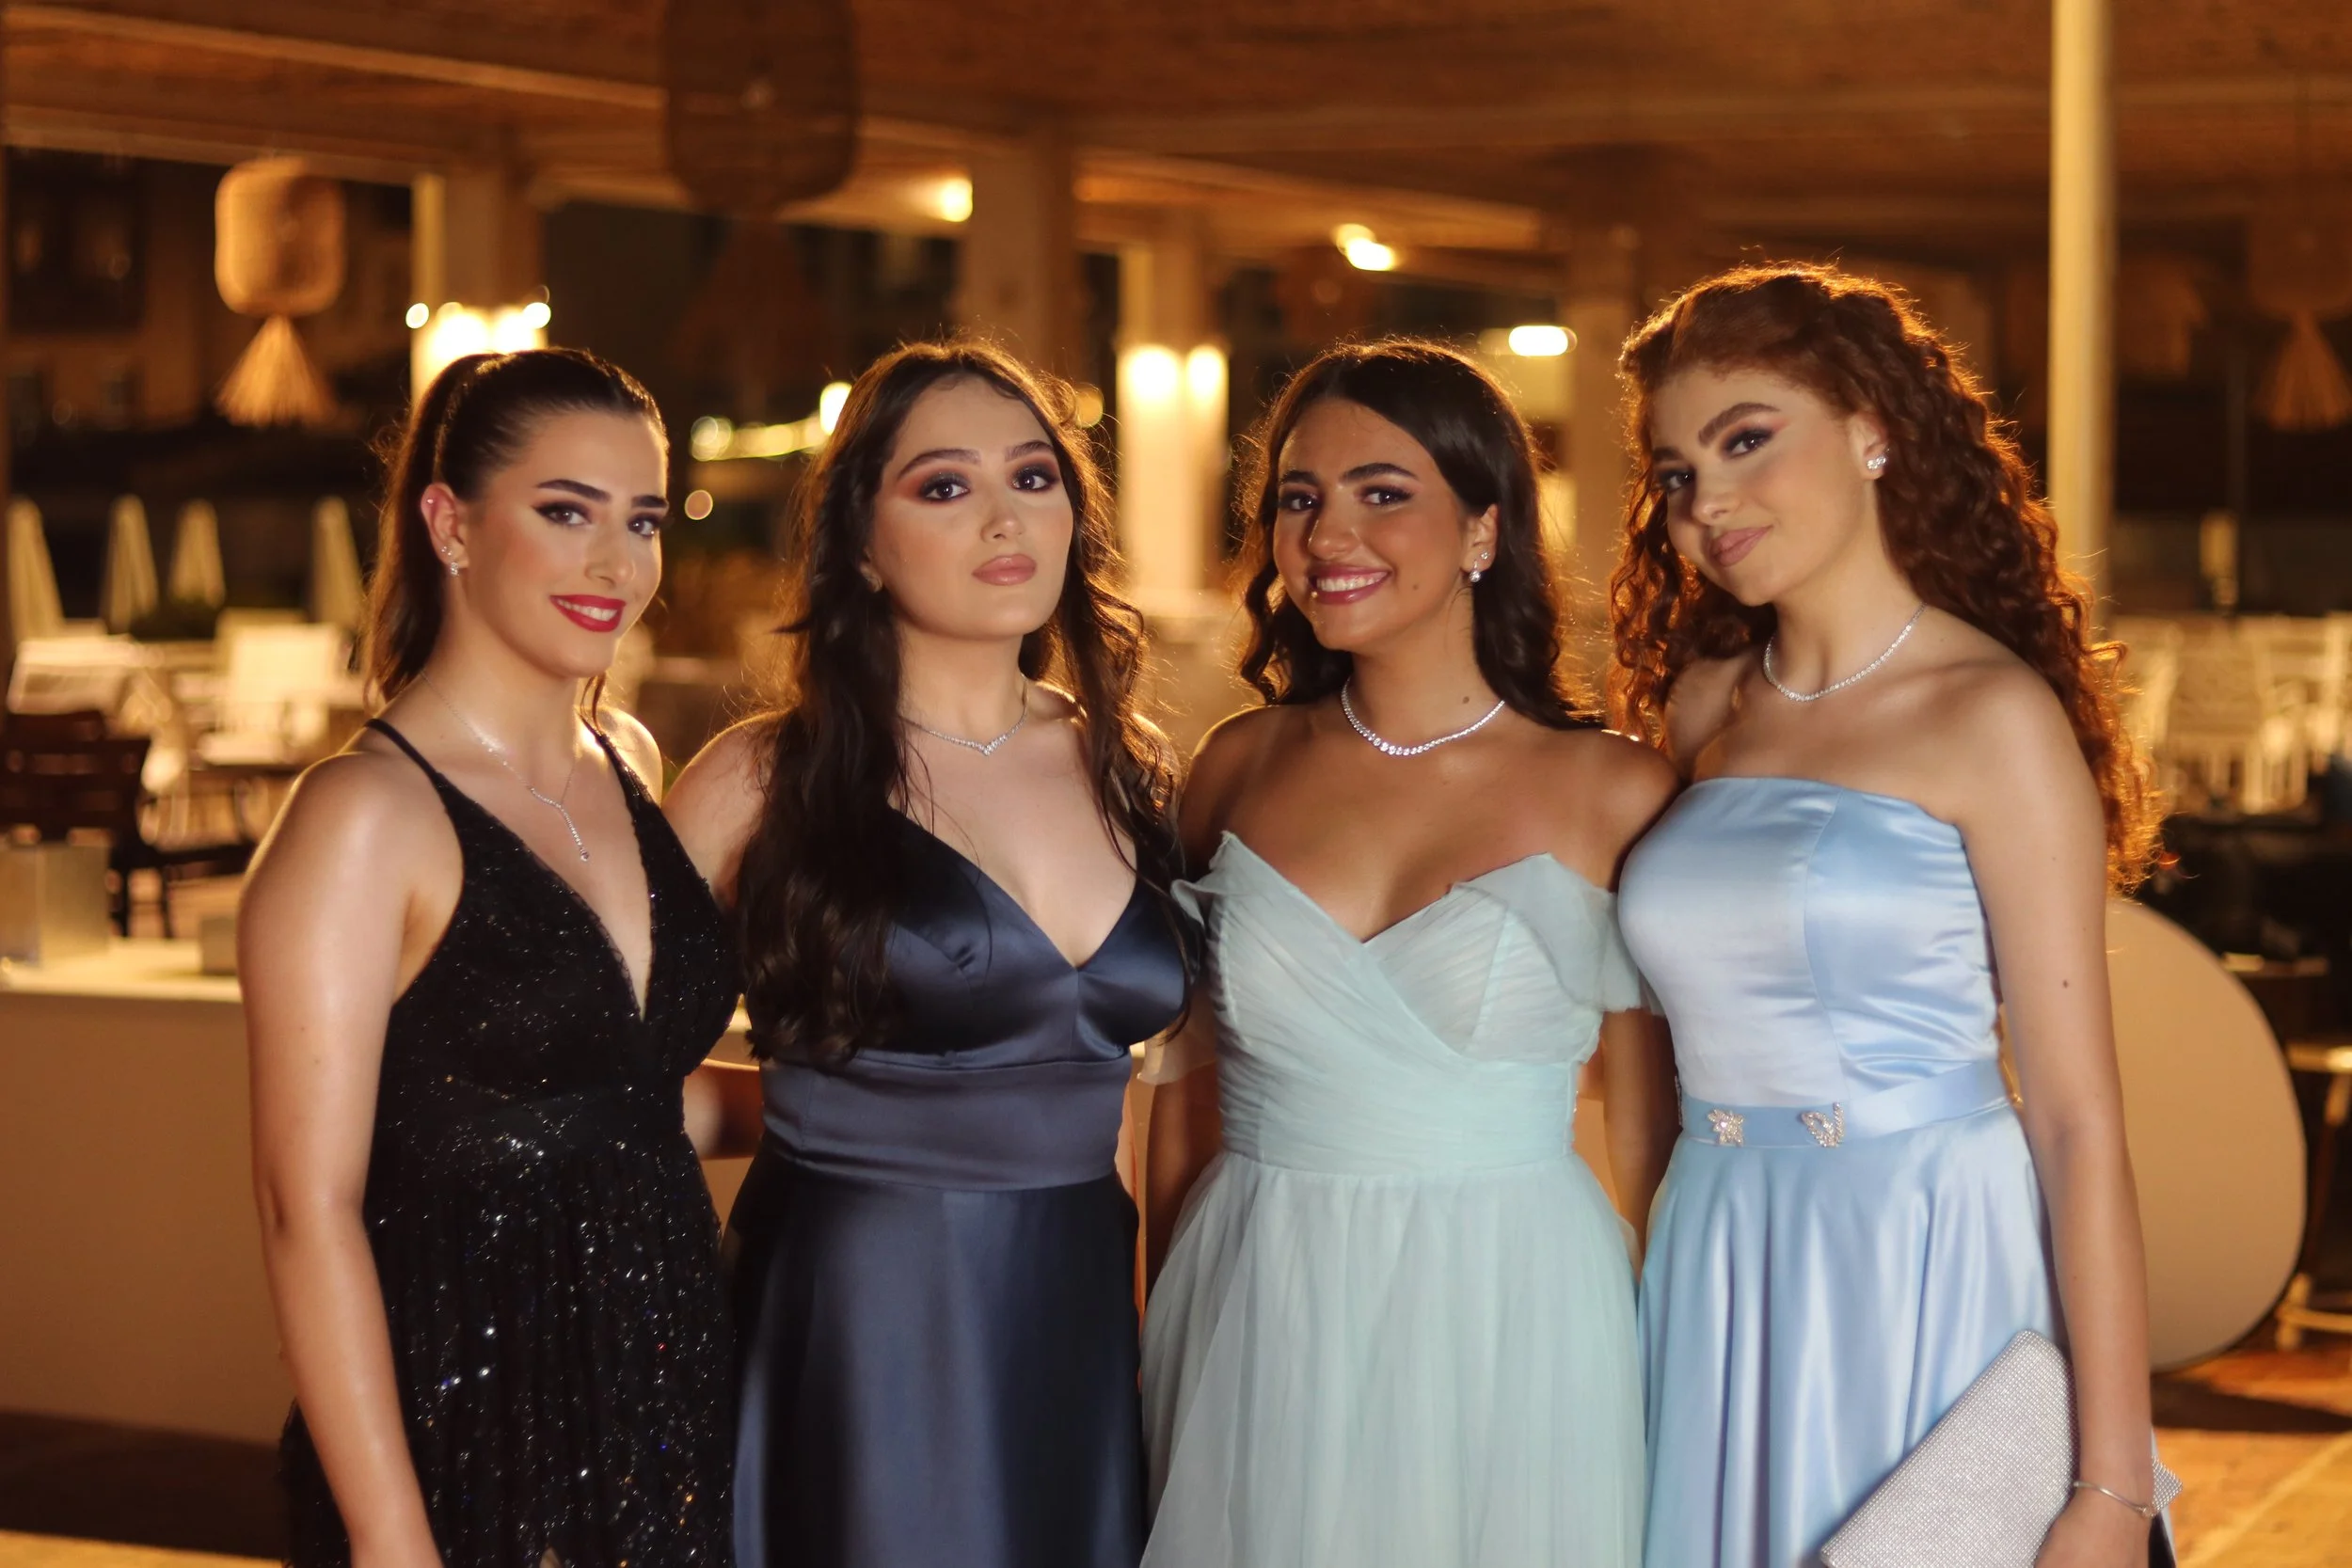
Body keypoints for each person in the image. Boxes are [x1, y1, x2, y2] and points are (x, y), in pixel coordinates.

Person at [1610, 263, 2164, 1568]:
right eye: (1678, 472)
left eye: (1747, 438)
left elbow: (2081, 1124)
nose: (1709, 501)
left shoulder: (1991, 716)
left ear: (1872, 430)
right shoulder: (1699, 711)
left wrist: (2113, 1487)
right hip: (1717, 1244)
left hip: (1926, 1245)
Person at [1139, 340, 1678, 1568]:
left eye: (1385, 492)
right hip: (1257, 1293)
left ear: (1484, 529)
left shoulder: (1614, 790)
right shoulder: (1237, 762)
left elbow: (1650, 1133)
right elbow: (1185, 1090)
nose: (1331, 532)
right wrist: (1165, 1315)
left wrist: (1671, 1361)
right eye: (1299, 497)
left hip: (1514, 1300)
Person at [661, 341, 1191, 1568]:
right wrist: (828, 1119)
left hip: (1076, 1313)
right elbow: (613, 1086)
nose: (1005, 517)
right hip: (854, 1319)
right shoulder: (758, 779)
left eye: (1034, 476)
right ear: (858, 541)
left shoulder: (1138, 768)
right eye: (944, 486)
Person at [244, 349, 751, 1568]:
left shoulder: (624, 762)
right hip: (472, 1435)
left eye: (642, 520)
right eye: (565, 512)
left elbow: (619, 1104)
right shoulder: (365, 814)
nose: (616, 564)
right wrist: (389, 1534)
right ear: (450, 522)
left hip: (675, 1398)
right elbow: (303, 1208)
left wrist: (881, 1106)